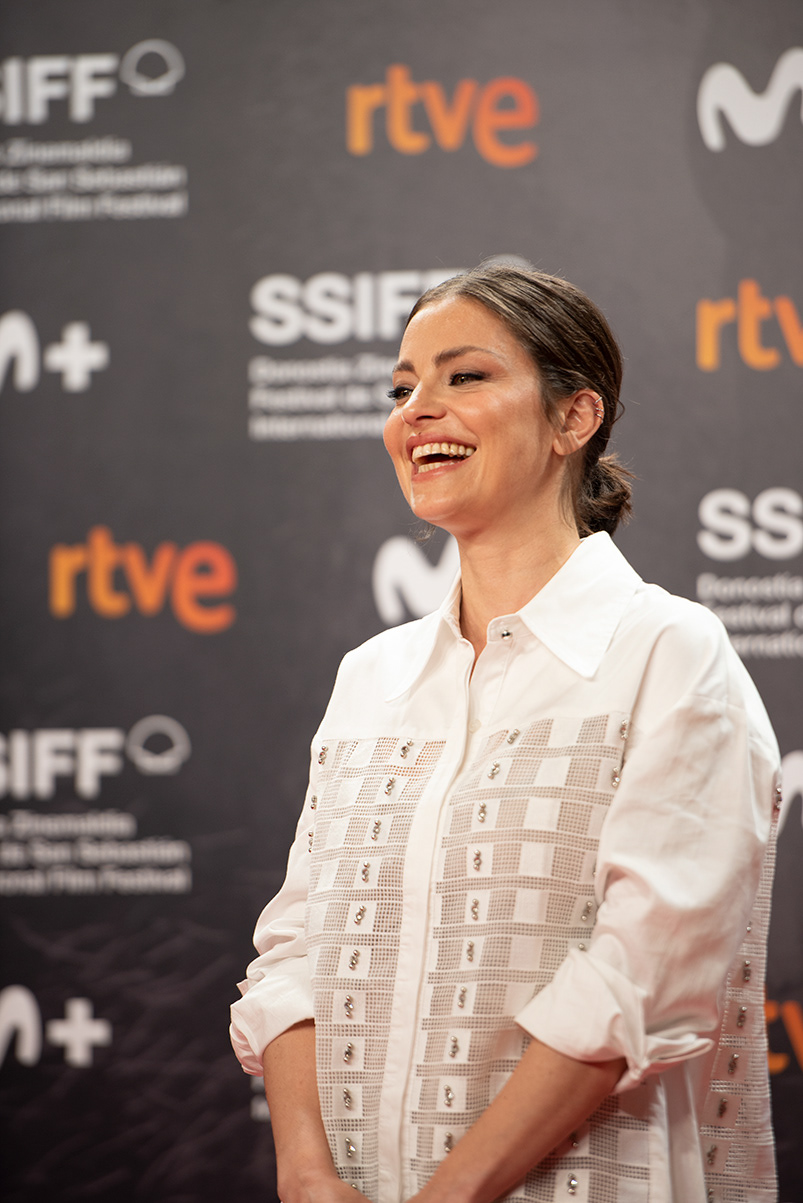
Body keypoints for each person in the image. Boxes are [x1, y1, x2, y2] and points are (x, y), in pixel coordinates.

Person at [231, 264, 780, 1203]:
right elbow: (293, 954)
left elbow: (638, 982)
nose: (417, 410)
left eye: (465, 376)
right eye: (401, 387)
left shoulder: (667, 651)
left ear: (574, 418)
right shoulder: (371, 675)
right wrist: (306, 1175)